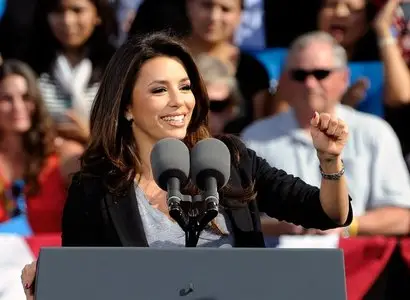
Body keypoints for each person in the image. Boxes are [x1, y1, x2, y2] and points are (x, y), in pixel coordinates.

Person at [21, 32, 353, 297]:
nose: (179, 101)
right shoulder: (95, 187)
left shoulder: (230, 159)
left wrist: (329, 160)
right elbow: (82, 282)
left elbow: (327, 213)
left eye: (185, 87)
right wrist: (47, 287)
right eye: (158, 90)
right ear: (127, 107)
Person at [241, 31, 410, 238]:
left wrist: (347, 227)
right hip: (279, 263)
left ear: (344, 77)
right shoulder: (255, 137)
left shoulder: (375, 132)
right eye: (300, 75)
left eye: (321, 74)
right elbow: (234, 217)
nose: (310, 84)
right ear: (284, 80)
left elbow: (402, 216)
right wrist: (277, 227)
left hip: (354, 264)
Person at [0, 60, 75, 234]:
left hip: (53, 259)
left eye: (26, 97)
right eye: (6, 99)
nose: (18, 107)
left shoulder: (63, 156)